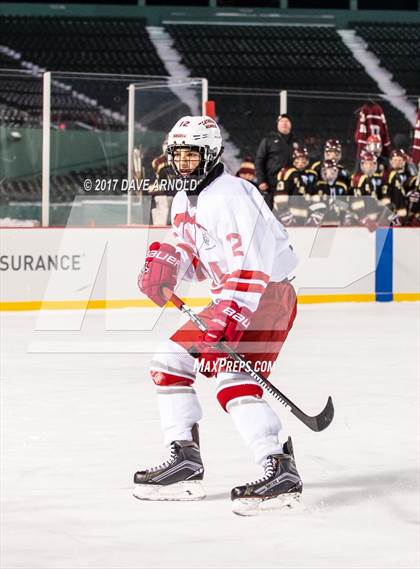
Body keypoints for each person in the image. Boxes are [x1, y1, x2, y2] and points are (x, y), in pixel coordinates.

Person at [134, 115, 303, 515]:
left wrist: (230, 313)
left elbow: (253, 262)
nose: (183, 163)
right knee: (168, 362)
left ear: (210, 154)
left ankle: (278, 466)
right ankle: (185, 461)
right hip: (232, 297)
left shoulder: (234, 194)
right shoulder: (182, 198)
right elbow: (194, 255)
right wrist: (168, 265)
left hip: (266, 297)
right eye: (177, 155)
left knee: (233, 378)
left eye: (191, 155)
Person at [255, 113, 295, 210]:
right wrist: (261, 180)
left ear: (291, 124)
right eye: (282, 121)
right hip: (272, 184)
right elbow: (259, 160)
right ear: (277, 124)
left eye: (287, 121)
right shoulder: (268, 140)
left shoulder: (296, 141)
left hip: (292, 185)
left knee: (291, 213)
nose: (284, 123)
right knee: (270, 214)